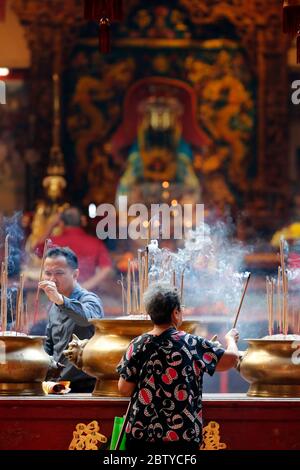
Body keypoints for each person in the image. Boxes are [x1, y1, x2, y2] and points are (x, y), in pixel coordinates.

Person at [117, 283, 239, 453]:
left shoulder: (137, 344)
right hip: (181, 436)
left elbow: (124, 388)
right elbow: (231, 359)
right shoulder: (191, 343)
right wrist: (231, 339)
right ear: (175, 313)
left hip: (141, 435)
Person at [40, 246, 104, 393]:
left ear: (75, 274)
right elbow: (50, 346)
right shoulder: (54, 306)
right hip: (57, 386)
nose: (52, 279)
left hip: (85, 387)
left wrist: (61, 300)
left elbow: (88, 319)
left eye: (59, 273)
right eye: (48, 273)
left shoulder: (89, 299)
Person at [35, 207, 113, 292]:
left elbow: (37, 251)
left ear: (61, 222)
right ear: (83, 221)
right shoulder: (95, 242)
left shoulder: (52, 242)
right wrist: (85, 286)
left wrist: (51, 225)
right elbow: (106, 268)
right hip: (87, 296)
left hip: (57, 295)